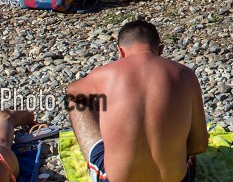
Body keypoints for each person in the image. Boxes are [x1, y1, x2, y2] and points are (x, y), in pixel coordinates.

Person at [66, 20, 208, 182]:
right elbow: (199, 145)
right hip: (176, 180)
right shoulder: (185, 74)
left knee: (76, 100)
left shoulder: (104, 75)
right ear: (160, 50)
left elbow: (72, 91)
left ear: (121, 51)